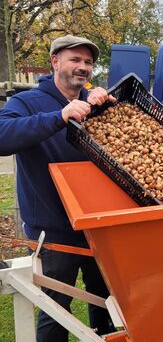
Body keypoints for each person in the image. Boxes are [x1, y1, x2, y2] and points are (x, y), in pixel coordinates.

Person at [0, 35, 117, 341]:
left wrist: (104, 107)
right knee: (55, 309)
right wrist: (60, 116)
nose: (83, 68)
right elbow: (3, 136)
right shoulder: (25, 102)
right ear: (55, 61)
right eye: (75, 60)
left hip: (97, 223)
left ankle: (102, 335)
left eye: (88, 62)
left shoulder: (92, 100)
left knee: (105, 301)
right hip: (54, 231)